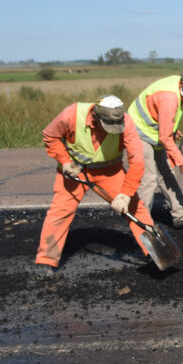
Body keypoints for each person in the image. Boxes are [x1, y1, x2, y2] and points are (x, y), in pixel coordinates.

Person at [34, 95, 155, 278]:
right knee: (60, 212)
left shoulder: (126, 121)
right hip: (75, 171)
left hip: (110, 171)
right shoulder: (71, 115)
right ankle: (46, 261)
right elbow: (50, 136)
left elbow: (137, 161)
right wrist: (65, 162)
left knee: (135, 208)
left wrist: (125, 194)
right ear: (95, 117)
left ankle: (155, 252)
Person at [126, 66, 183, 229]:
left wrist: (172, 130)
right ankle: (142, 225)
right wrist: (182, 162)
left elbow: (166, 123)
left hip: (156, 133)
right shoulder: (169, 98)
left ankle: (180, 216)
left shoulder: (179, 90)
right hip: (138, 131)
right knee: (148, 179)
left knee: (166, 172)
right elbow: (164, 138)